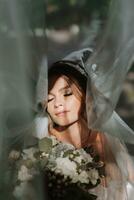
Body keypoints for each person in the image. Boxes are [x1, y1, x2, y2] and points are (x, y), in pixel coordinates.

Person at [38, 49, 134, 200]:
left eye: (67, 93)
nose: (57, 104)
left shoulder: (103, 138)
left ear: (85, 95)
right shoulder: (42, 138)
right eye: (50, 99)